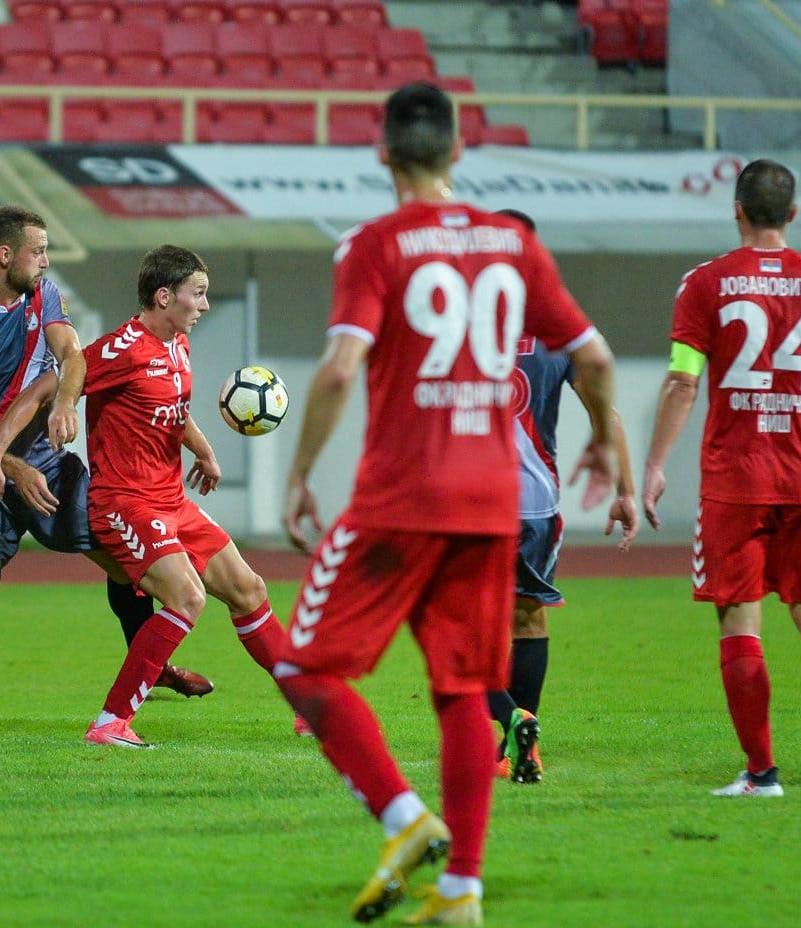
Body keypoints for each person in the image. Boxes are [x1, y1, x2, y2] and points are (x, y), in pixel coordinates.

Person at [278, 83, 618, 927]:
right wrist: (606, 441)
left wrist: (299, 472)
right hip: (489, 503)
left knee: (301, 666)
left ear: (382, 154)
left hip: (400, 498)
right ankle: (462, 888)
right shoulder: (512, 244)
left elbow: (339, 368)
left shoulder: (374, 244)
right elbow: (596, 356)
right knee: (464, 689)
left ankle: (402, 818)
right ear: (459, 152)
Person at [0, 207, 213, 743]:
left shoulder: (44, 295)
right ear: (5, 255)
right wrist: (11, 467)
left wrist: (64, 404)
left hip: (51, 470)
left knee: (124, 560)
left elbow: (71, 357)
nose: (45, 262)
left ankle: (150, 668)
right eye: (38, 251)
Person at [0, 244, 305, 748]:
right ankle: (110, 723)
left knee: (249, 589)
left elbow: (173, 407)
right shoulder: (124, 348)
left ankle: (310, 705)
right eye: (198, 293)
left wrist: (203, 451)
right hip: (124, 503)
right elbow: (60, 376)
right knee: (187, 597)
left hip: (172, 501)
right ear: (164, 296)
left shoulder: (178, 344)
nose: (205, 304)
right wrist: (60, 408)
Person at [642, 158, 801, 798]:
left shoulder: (705, 284)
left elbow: (682, 380)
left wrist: (655, 465)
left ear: (738, 211)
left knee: (740, 625)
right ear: (793, 214)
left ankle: (761, 774)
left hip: (735, 480)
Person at [486, 208, 639, 785]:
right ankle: (523, 749)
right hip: (536, 503)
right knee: (528, 620)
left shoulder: (458, 319)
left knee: (452, 633)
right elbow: (608, 413)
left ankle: (513, 719)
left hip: (471, 500)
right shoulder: (558, 327)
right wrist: (625, 490)